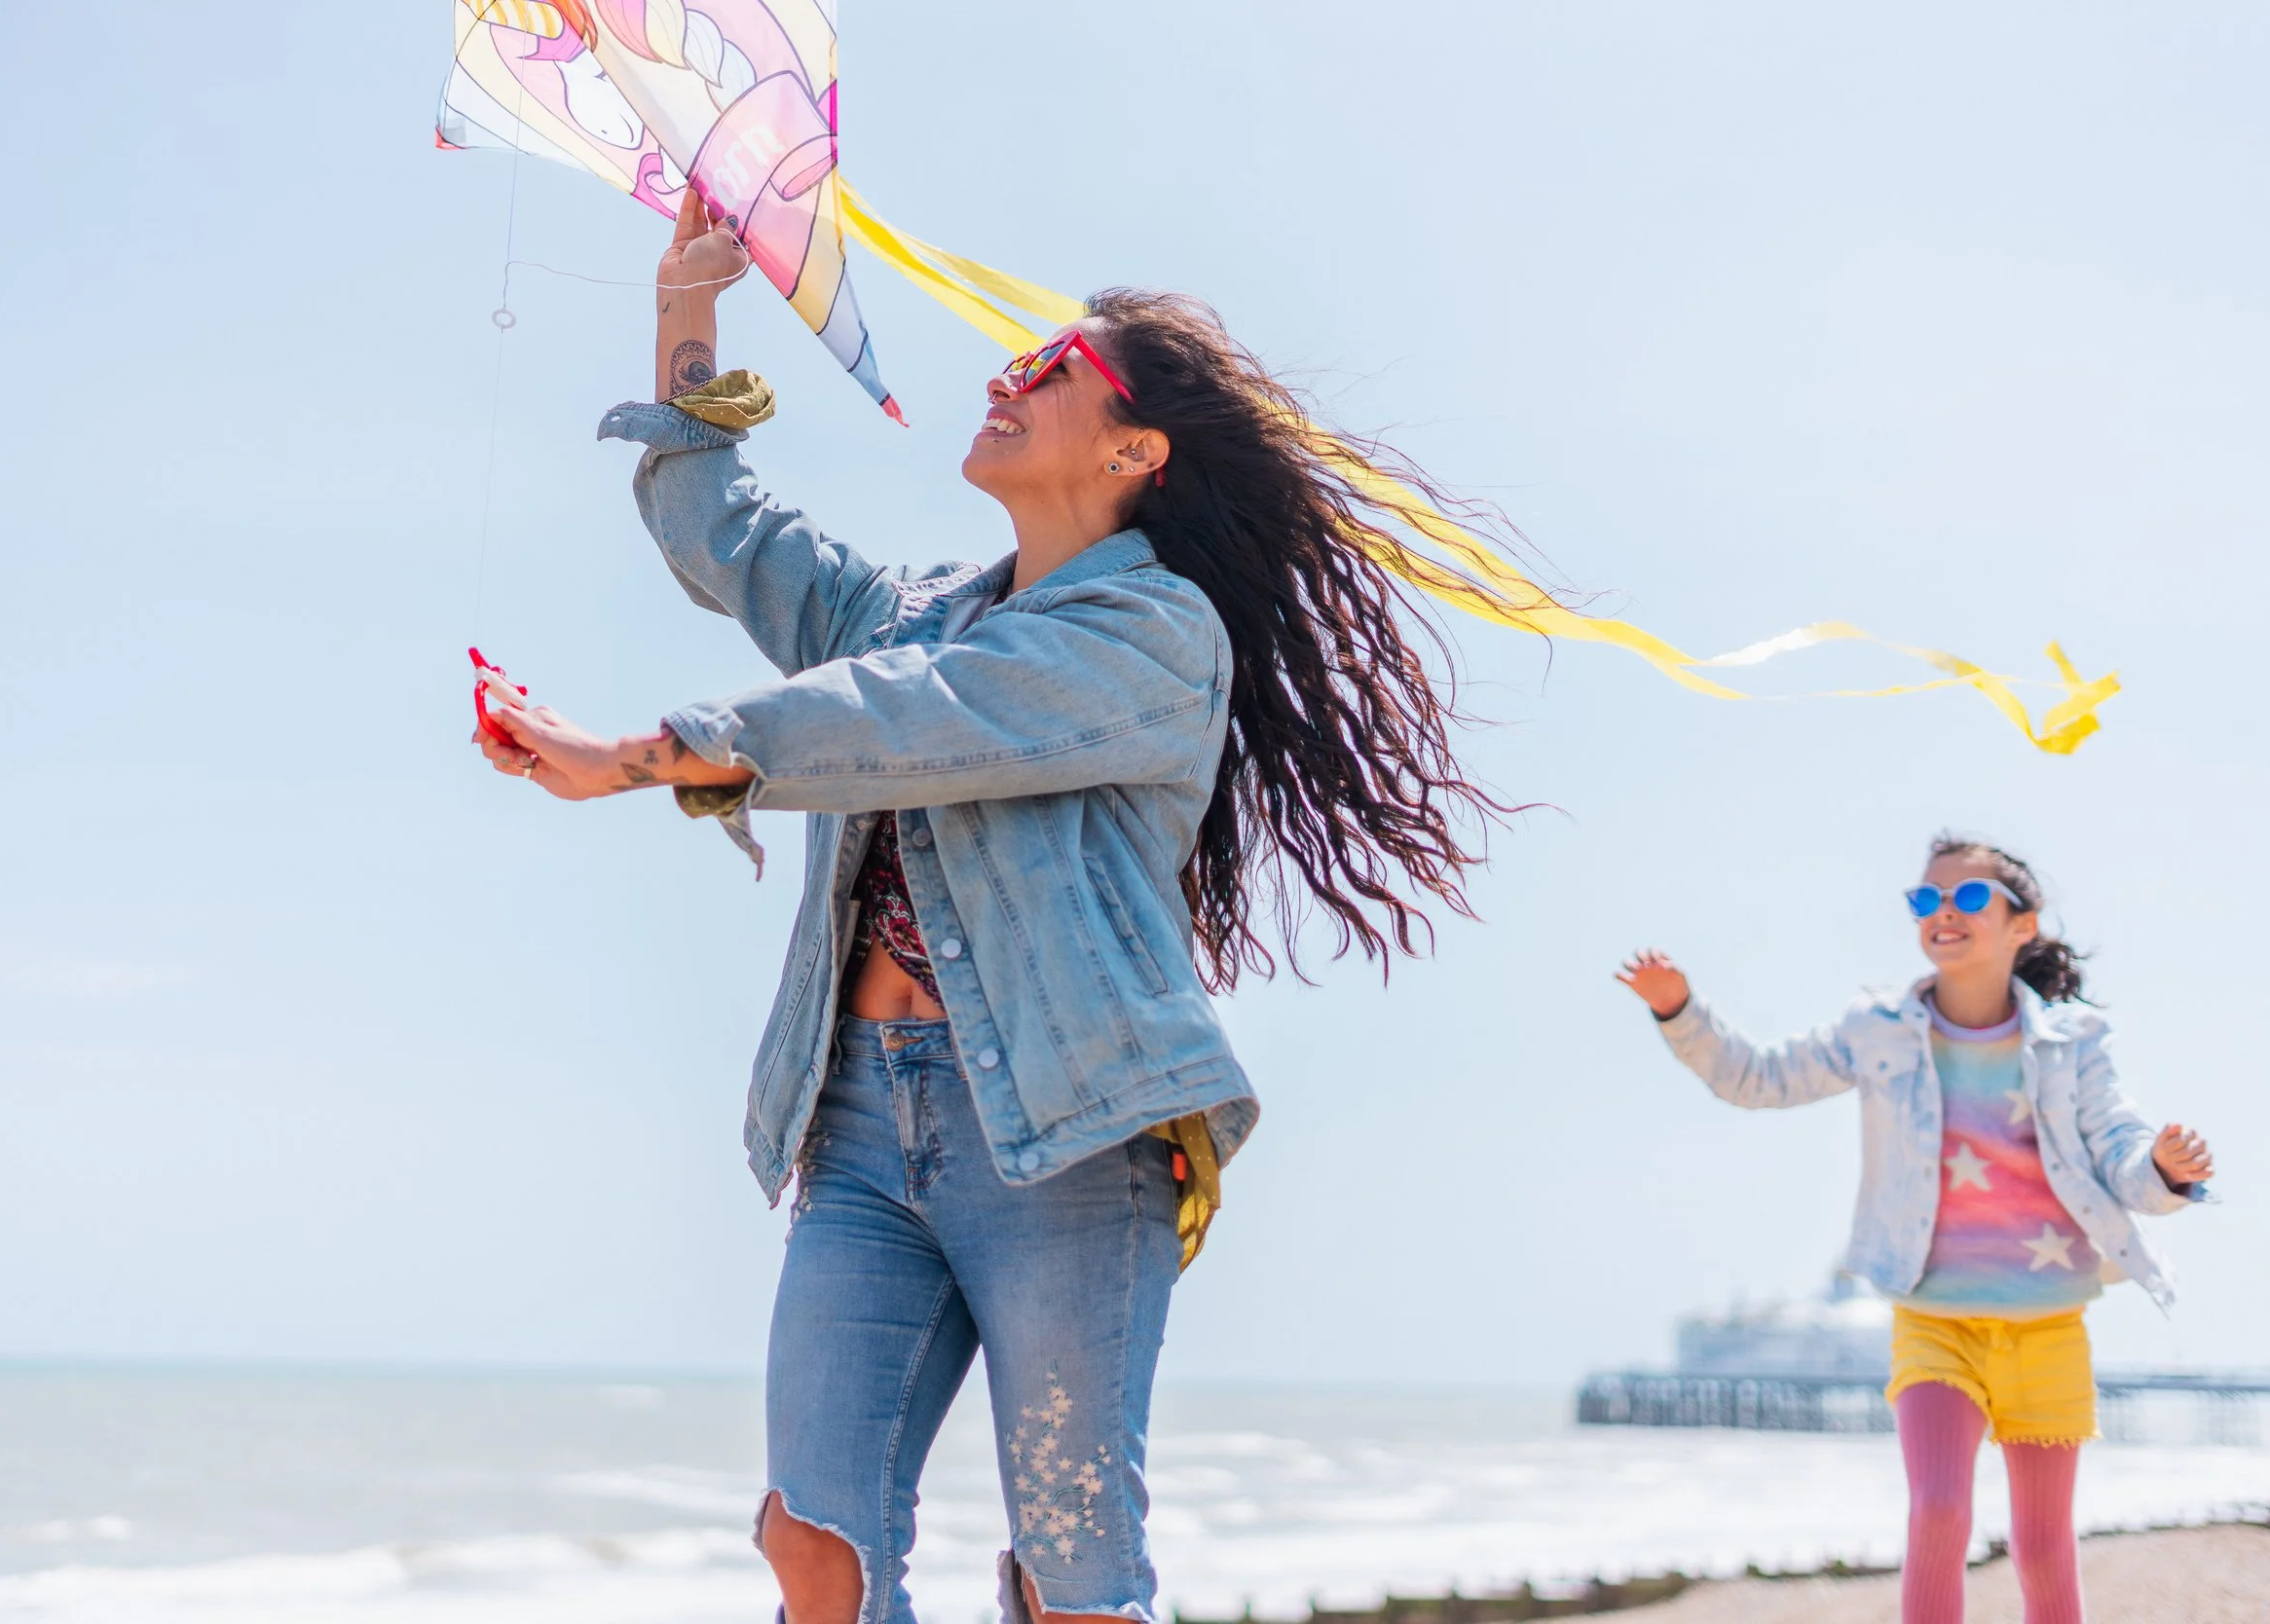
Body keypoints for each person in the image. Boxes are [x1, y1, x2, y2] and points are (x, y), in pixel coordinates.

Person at [475, 190, 1517, 1624]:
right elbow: (729, 531)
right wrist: (686, 308)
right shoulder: (911, 610)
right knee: (813, 1550)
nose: (1004, 379)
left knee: (1076, 1581)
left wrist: (645, 756)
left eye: (1048, 372)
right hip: (854, 1124)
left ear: (1135, 448)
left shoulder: (1153, 635)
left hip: (1072, 1139)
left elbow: (916, 718)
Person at [1617, 835, 2216, 1624]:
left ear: (2020, 928)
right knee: (1937, 1512)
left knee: (2042, 1549)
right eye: (1925, 899)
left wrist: (2168, 1172)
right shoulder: (1880, 1029)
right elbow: (1758, 1079)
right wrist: (1679, 1012)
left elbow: (2120, 1154)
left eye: (1969, 898)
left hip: (2048, 1329)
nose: (1943, 912)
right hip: (1936, 1324)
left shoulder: (2076, 1043)